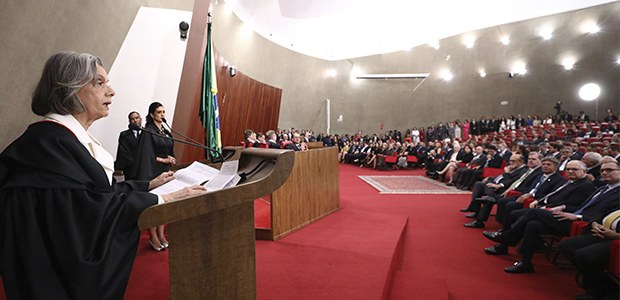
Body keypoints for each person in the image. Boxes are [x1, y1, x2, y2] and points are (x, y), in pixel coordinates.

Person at [0, 51, 207, 299]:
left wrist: (147, 186)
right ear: (70, 89)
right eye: (99, 83)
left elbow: (93, 194)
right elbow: (83, 215)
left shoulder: (62, 140)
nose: (111, 91)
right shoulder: (47, 148)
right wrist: (161, 200)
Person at [482, 160, 619, 274]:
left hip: (581, 224)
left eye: (609, 170)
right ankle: (525, 262)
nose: (604, 173)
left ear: (584, 172)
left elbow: (602, 214)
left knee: (533, 213)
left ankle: (506, 238)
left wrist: (578, 216)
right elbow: (580, 205)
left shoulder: (589, 186)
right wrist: (566, 208)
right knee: (533, 225)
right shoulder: (603, 188)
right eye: (602, 171)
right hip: (569, 217)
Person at [129, 101, 177, 251]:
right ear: (151, 114)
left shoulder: (165, 131)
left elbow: (167, 147)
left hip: (165, 170)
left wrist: (170, 158)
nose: (162, 115)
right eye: (159, 112)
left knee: (165, 203)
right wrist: (164, 159)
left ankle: (161, 233)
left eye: (163, 112)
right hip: (151, 171)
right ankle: (153, 236)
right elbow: (146, 155)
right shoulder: (148, 131)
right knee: (153, 204)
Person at [559, 208, 620, 300]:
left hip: (616, 240)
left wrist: (616, 236)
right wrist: (594, 224)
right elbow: (602, 211)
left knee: (585, 255)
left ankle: (596, 292)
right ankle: (607, 285)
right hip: (603, 233)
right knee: (566, 246)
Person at [114, 111, 142, 176]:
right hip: (130, 169)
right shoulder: (124, 135)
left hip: (145, 168)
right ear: (129, 121)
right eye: (132, 119)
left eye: (137, 118)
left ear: (140, 119)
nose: (135, 120)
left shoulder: (146, 133)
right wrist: (136, 162)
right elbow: (123, 152)